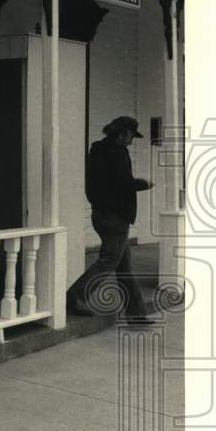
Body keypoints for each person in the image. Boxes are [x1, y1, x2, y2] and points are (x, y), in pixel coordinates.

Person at [67, 116, 155, 325]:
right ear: (121, 133)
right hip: (115, 218)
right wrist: (145, 183)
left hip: (102, 214)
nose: (132, 141)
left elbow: (104, 185)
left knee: (123, 266)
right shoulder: (117, 153)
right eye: (131, 136)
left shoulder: (98, 151)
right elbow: (125, 182)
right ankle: (75, 296)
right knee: (108, 261)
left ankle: (135, 314)